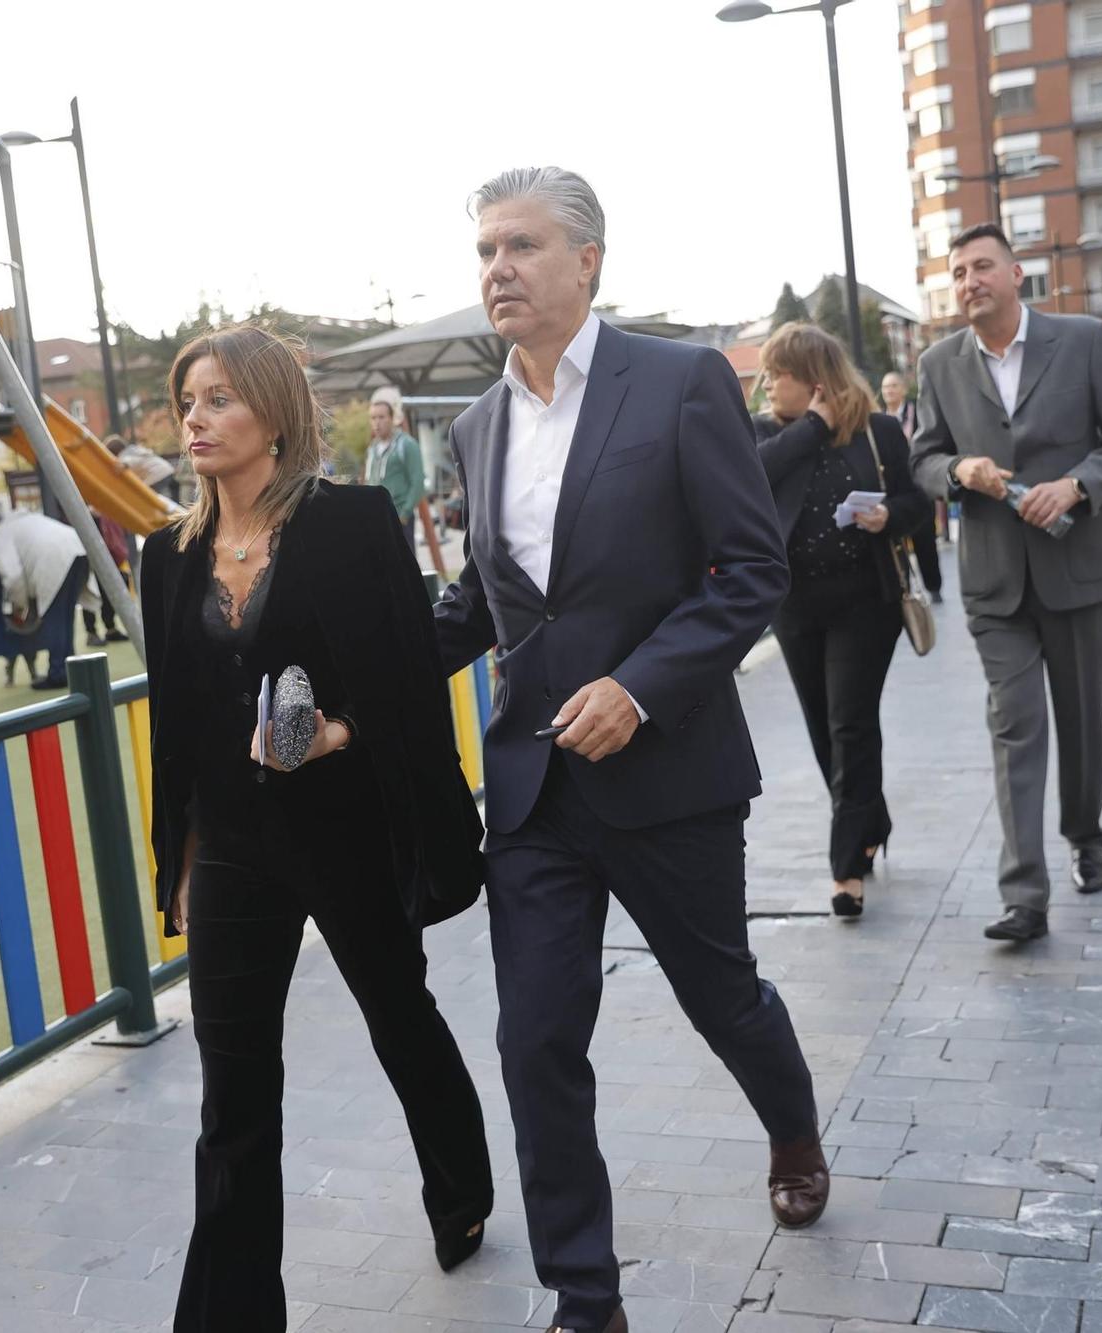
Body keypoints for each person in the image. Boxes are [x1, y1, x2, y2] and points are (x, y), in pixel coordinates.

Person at [434, 167, 824, 1333]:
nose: (495, 268)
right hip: (535, 788)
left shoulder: (680, 380)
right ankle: (584, 1296)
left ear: (587, 260)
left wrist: (641, 689)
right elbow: (489, 602)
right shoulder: (474, 424)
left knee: (720, 995)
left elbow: (749, 569)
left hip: (667, 774)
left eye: (519, 245)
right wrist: (343, 661)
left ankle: (791, 1124)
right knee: (536, 1036)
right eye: (483, 251)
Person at [141, 324, 492, 1331]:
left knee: (399, 1017)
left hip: (342, 827)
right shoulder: (165, 554)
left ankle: (459, 1189)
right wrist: (182, 857)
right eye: (188, 401)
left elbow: (406, 673)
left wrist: (336, 728)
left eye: (218, 399)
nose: (196, 419)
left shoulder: (349, 523)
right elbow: (176, 722)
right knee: (234, 1095)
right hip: (234, 849)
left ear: (273, 414)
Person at [910, 222, 1102, 946]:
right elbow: (922, 458)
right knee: (1015, 727)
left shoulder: (1081, 340)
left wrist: (1078, 486)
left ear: (1019, 275)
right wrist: (961, 473)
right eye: (957, 273)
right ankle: (1024, 895)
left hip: (1076, 570)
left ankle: (1085, 834)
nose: (968, 281)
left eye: (982, 267)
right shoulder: (938, 363)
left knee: (1082, 720)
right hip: (994, 584)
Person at [759, 325, 929, 919]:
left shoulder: (878, 431)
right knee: (822, 730)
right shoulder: (768, 435)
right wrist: (812, 428)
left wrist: (890, 515)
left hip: (866, 604)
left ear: (811, 379)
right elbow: (749, 479)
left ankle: (846, 869)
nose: (766, 384)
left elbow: (917, 503)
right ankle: (871, 820)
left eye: (776, 374)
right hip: (795, 608)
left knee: (850, 726)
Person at [0, 509, 89, 690]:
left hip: (53, 558)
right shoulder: (23, 522)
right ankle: (69, 668)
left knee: (54, 619)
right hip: (78, 548)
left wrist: (21, 604)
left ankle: (57, 673)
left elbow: (13, 576)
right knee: (66, 616)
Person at [881, 370, 943, 602]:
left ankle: (933, 586)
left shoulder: (917, 413)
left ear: (903, 389)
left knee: (925, 538)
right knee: (896, 541)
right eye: (886, 387)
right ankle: (905, 586)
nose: (889, 391)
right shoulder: (878, 418)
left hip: (919, 484)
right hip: (892, 488)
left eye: (894, 386)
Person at [364, 395, 427, 551]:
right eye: (373, 418)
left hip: (399, 517)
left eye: (381, 417)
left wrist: (404, 514)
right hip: (377, 520)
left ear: (392, 419)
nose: (377, 422)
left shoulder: (407, 444)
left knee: (404, 567)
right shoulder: (372, 448)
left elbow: (418, 481)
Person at [81, 511, 129, 646]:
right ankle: (91, 633)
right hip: (88, 557)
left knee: (109, 593)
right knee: (91, 593)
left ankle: (111, 628)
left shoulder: (106, 513)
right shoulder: (83, 512)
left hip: (108, 556)